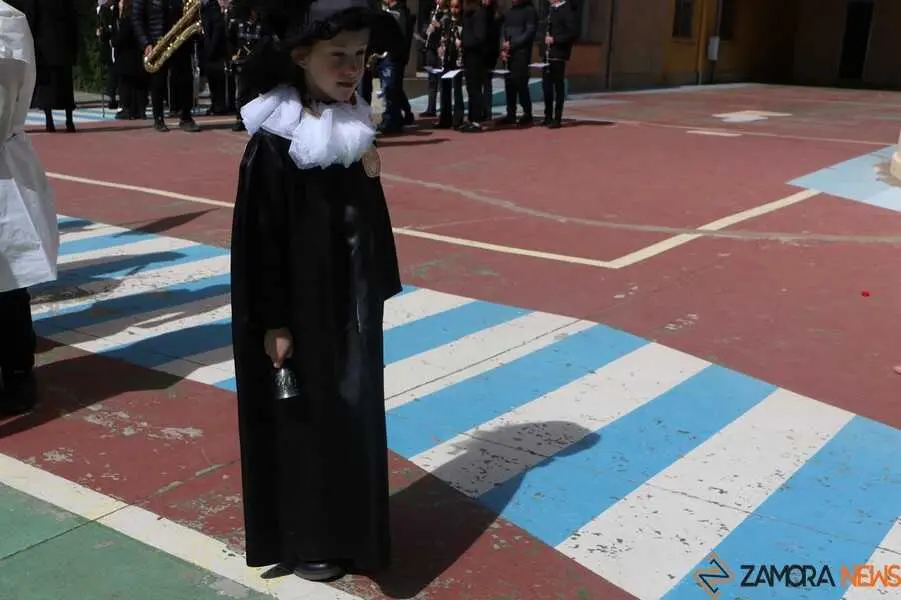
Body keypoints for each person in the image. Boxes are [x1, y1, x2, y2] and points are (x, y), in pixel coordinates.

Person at [229, 0, 403, 582]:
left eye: (360, 55)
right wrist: (273, 322)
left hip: (349, 306)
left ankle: (352, 526)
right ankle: (308, 536)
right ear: (301, 57)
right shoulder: (277, 142)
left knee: (350, 411)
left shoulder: (350, 123)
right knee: (305, 423)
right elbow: (260, 240)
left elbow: (366, 216)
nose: (352, 67)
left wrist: (374, 286)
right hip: (301, 311)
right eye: (338, 56)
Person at [0, 0, 59, 415]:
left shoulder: (5, 21)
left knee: (6, 283)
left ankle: (19, 375)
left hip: (2, 168)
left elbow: (4, 107)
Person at [539, 0, 578, 128]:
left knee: (558, 86)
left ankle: (557, 117)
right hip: (547, 54)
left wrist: (555, 39)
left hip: (558, 54)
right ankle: (548, 116)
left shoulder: (567, 9)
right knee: (546, 86)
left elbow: (572, 33)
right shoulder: (550, 9)